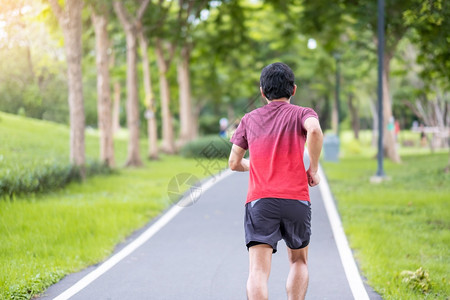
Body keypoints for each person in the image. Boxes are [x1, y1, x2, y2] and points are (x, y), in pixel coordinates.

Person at [228, 62, 323, 300]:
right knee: (299, 261)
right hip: (296, 199)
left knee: (258, 270)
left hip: (261, 201)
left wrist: (253, 163)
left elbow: (233, 163)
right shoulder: (303, 113)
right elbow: (314, 131)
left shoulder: (249, 119)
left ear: (262, 91)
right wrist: (313, 168)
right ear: (293, 89)